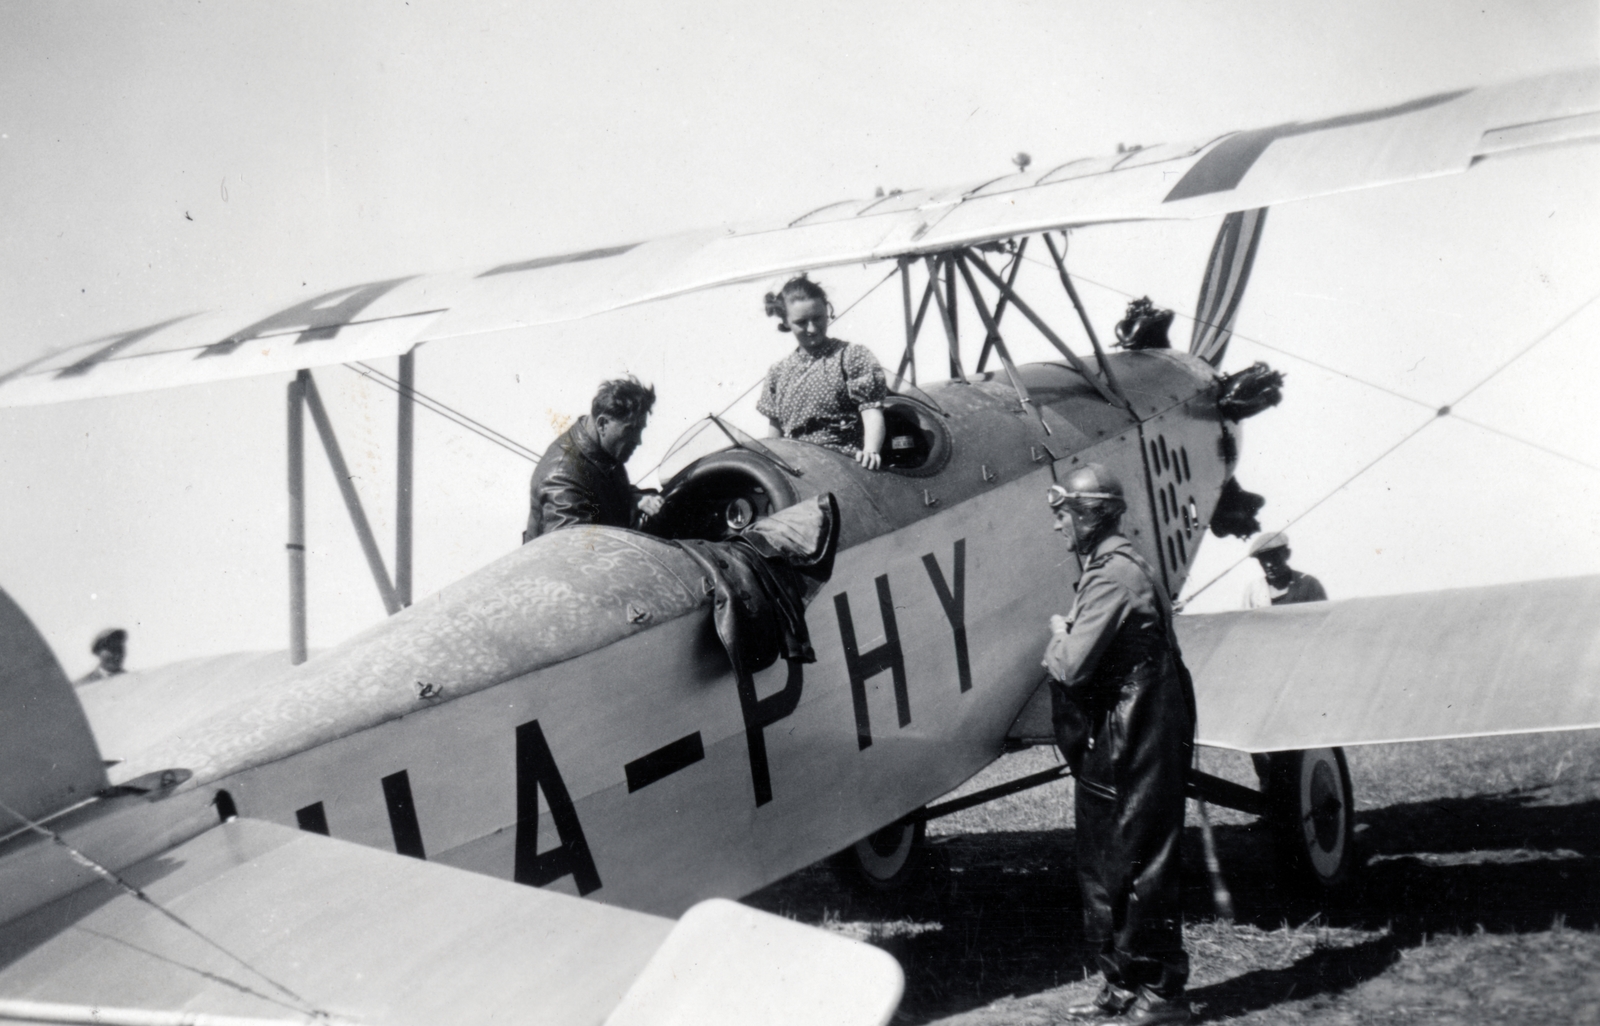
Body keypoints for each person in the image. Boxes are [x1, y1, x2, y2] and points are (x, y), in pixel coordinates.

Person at [1042, 464, 1195, 1025]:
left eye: (1063, 514)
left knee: (1140, 854)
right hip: (1123, 721)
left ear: (1089, 514)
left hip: (1140, 722)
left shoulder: (1112, 577)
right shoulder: (1108, 570)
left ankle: (1163, 992)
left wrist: (1060, 634)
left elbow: (1071, 665)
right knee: (1105, 853)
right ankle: (1120, 980)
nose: (1058, 526)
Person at [757, 276, 888, 470]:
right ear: (786, 322)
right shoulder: (778, 372)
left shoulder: (851, 356)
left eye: (817, 318)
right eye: (801, 322)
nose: (812, 328)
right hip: (801, 471)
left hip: (846, 466)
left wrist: (871, 450)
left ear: (827, 311)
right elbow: (774, 432)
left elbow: (871, 411)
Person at [523, 376, 663, 543]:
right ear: (603, 424)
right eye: (631, 430)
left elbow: (606, 491)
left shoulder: (603, 453)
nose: (638, 441)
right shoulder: (561, 479)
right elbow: (575, 553)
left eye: (640, 430)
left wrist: (635, 499)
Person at [1242, 531, 1327, 608]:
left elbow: (1323, 619)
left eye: (1274, 557)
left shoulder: (1308, 584)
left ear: (1287, 554)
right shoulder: (1254, 590)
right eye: (1263, 560)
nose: (1268, 564)